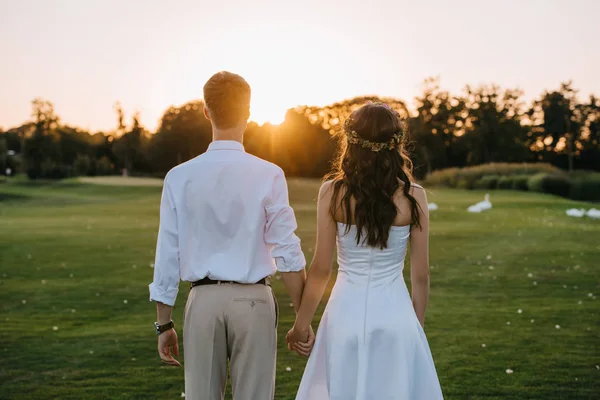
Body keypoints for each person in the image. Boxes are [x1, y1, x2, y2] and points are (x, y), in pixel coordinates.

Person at [149, 71, 314, 400]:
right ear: (248, 112)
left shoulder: (179, 177)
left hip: (203, 303)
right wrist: (302, 318)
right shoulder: (270, 175)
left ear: (206, 111)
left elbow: (168, 253)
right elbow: (287, 251)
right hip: (254, 302)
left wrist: (164, 324)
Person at [287, 102, 444, 399]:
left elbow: (321, 268)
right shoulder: (414, 198)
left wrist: (301, 325)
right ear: (396, 145)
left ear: (351, 143)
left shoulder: (333, 192)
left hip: (344, 315)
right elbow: (420, 274)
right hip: (396, 316)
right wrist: (416, 329)